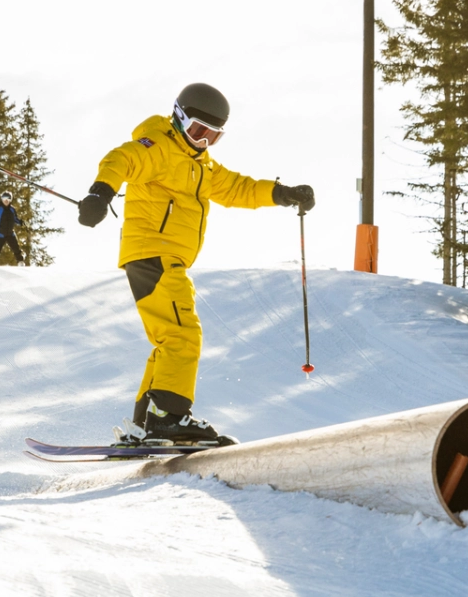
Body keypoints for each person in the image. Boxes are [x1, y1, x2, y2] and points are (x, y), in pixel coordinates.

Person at [78, 82, 314, 445]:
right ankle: (168, 418)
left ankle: (146, 423)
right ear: (178, 118)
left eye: (213, 136)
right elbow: (121, 159)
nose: (203, 141)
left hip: (162, 257)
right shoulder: (158, 147)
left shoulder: (202, 166)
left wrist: (282, 193)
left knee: (168, 339)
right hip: (154, 253)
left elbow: (238, 188)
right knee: (183, 335)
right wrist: (100, 193)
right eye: (198, 131)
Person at [0, 191, 26, 264]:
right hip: (0, 232)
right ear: (2, 199)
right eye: (4, 198)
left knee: (16, 247)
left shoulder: (12, 209)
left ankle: (20, 261)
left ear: (10, 200)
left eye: (8, 198)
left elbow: (15, 219)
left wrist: (22, 222)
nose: (6, 200)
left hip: (10, 233)